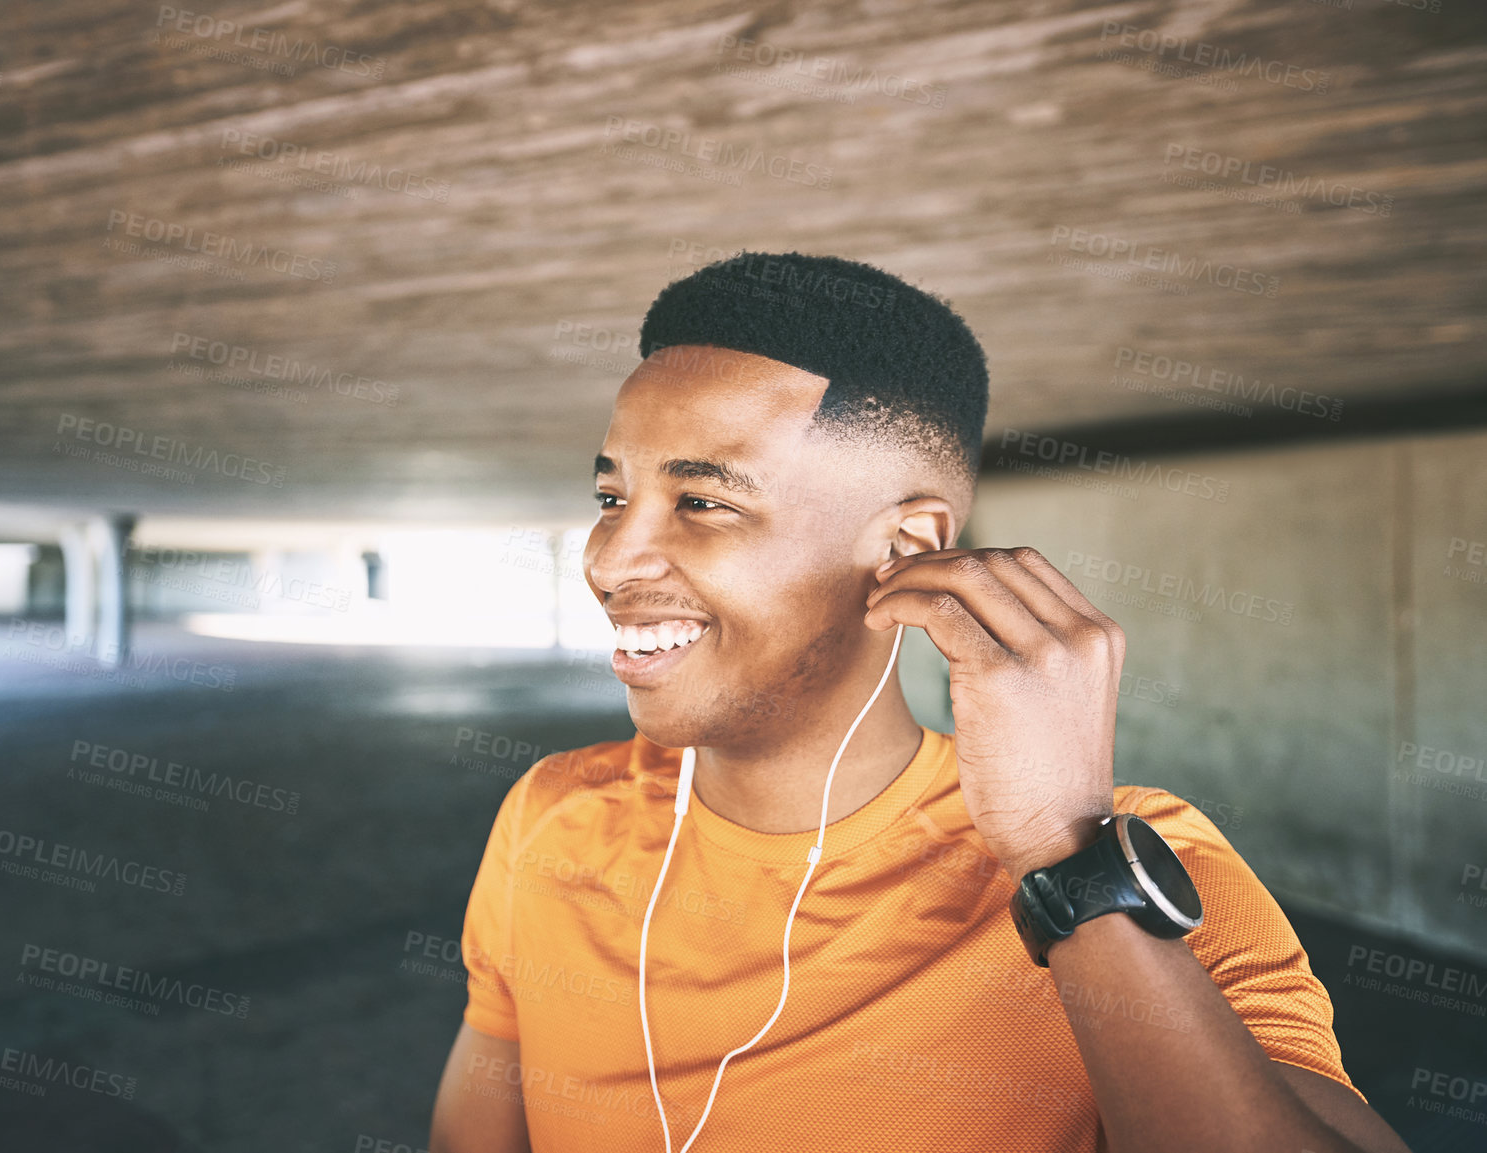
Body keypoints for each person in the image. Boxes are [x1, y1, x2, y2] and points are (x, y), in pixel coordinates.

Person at [428, 252, 1409, 1153]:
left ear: (906, 548)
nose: (609, 559)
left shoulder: (1153, 865)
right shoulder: (549, 817)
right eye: (611, 499)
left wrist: (1067, 860)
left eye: (702, 501)